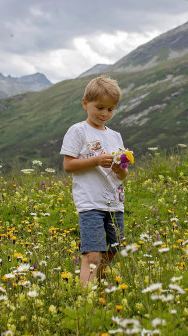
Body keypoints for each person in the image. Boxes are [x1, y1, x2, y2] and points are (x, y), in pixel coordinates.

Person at [60, 76, 129, 287]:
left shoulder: (115, 136)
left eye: (110, 109)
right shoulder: (78, 130)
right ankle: (85, 298)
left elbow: (123, 173)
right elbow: (68, 165)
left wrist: (119, 169)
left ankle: (98, 284)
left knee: (114, 248)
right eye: (99, 107)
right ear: (85, 103)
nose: (104, 114)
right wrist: (96, 160)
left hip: (114, 203)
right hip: (90, 203)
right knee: (92, 254)